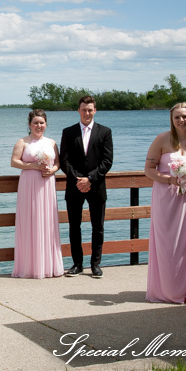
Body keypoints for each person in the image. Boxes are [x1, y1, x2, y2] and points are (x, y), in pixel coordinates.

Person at [144, 103, 186, 305]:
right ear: (171, 120)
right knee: (167, 245)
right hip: (165, 197)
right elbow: (148, 169)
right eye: (177, 117)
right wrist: (169, 179)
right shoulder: (162, 140)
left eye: (184, 116)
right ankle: (167, 290)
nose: (181, 120)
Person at [59, 95, 114, 277]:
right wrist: (78, 180)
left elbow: (107, 161)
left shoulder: (105, 132)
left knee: (97, 227)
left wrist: (90, 179)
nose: (87, 113)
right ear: (78, 110)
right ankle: (77, 264)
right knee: (74, 227)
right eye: (84, 109)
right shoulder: (68, 132)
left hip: (96, 186)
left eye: (90, 109)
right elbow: (64, 161)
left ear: (95, 111)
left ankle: (95, 264)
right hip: (74, 187)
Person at [10, 109, 64, 279]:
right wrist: (33, 166)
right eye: (35, 123)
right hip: (29, 184)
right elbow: (14, 162)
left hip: (47, 183)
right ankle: (29, 266)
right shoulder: (23, 142)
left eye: (41, 123)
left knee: (47, 222)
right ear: (29, 124)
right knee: (30, 221)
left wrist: (52, 170)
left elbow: (58, 163)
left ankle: (49, 266)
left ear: (46, 124)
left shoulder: (52, 142)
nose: (39, 126)